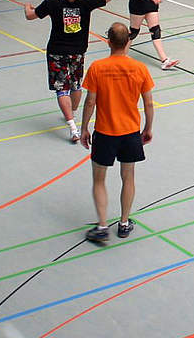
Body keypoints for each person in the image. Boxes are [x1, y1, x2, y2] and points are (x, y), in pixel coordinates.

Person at [79, 23, 155, 244]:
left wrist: (84, 127)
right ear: (128, 42)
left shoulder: (97, 67)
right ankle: (123, 223)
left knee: (99, 179)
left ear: (108, 42)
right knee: (128, 177)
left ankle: (102, 226)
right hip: (130, 132)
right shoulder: (140, 68)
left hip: (105, 132)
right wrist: (148, 128)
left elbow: (90, 101)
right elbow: (148, 103)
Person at [25, 0, 118, 143]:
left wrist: (26, 7)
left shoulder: (52, 3)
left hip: (57, 52)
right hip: (78, 52)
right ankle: (72, 113)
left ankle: (72, 128)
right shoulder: (86, 3)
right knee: (75, 85)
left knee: (62, 89)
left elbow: (30, 16)